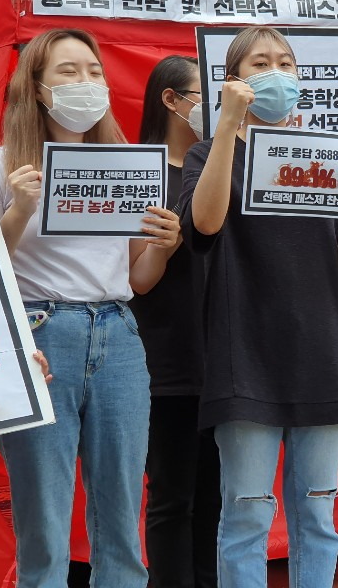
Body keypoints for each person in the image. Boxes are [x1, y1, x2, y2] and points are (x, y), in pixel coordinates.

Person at [0, 28, 181, 588]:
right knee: (42, 514)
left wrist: (162, 246)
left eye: (94, 72)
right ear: (36, 86)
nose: (86, 83)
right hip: (39, 335)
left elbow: (138, 277)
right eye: (69, 71)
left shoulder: (128, 166)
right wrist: (18, 209)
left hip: (118, 333)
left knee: (122, 508)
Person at [178, 26, 338, 587]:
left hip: (319, 358)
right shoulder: (207, 150)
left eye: (286, 63)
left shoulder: (324, 156)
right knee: (246, 515)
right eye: (261, 62)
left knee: (316, 516)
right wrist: (226, 128)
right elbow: (206, 223)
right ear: (233, 80)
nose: (277, 73)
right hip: (244, 358)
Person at [131, 55, 221, 587]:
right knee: (171, 497)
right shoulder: (140, 171)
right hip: (161, 361)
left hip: (225, 359)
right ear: (171, 100)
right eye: (201, 94)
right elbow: (135, 275)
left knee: (216, 498)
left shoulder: (224, 171)